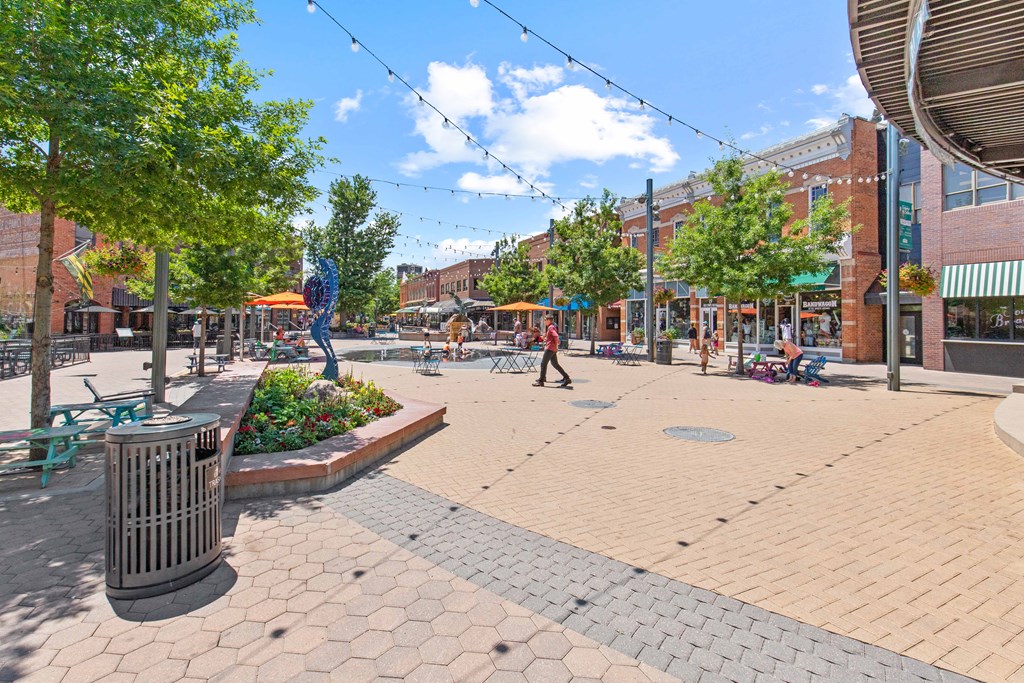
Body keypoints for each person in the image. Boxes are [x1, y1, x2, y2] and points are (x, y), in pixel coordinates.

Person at [534, 315, 571, 387]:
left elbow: (556, 335)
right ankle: (566, 378)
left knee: (543, 364)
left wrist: (557, 341)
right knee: (555, 364)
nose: (544, 321)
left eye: (545, 320)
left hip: (550, 348)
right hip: (553, 349)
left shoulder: (551, 327)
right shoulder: (552, 327)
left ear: (548, 320)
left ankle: (541, 381)